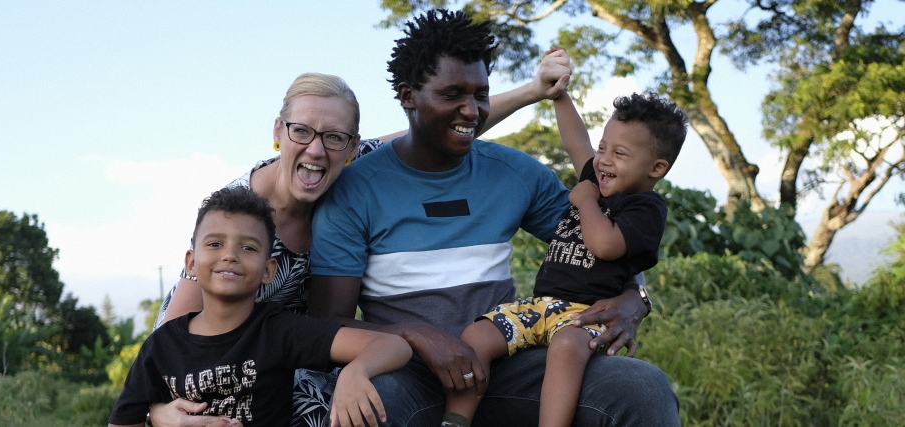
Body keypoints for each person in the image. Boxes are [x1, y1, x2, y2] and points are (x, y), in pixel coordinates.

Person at [148, 48, 573, 427]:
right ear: (278, 131)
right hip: (218, 359)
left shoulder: (354, 170)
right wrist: (156, 410)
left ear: (352, 146)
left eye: (333, 137)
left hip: (306, 350)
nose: (317, 150)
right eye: (301, 132)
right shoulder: (237, 217)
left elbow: (438, 127)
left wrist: (532, 91)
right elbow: (171, 339)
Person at [308, 9, 680, 426]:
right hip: (405, 373)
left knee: (642, 388)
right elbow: (327, 324)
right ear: (408, 95)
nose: (471, 110)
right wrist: (419, 336)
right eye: (453, 95)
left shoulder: (517, 174)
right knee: (367, 407)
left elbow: (601, 239)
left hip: (507, 364)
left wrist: (636, 300)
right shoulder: (354, 190)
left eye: (480, 94)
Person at [441, 89, 688, 427]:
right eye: (603, 148)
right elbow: (575, 140)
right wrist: (559, 94)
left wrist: (586, 201)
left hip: (585, 315)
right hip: (542, 305)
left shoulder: (645, 207)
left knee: (566, 349)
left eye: (619, 153)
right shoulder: (597, 180)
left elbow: (605, 246)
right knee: (476, 337)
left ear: (657, 168)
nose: (603, 160)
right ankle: (455, 421)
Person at [109, 187, 412, 427]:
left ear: (269, 270)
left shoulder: (279, 330)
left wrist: (355, 372)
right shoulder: (160, 347)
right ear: (191, 262)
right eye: (215, 244)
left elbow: (392, 345)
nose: (230, 255)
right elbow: (125, 420)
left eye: (248, 247)